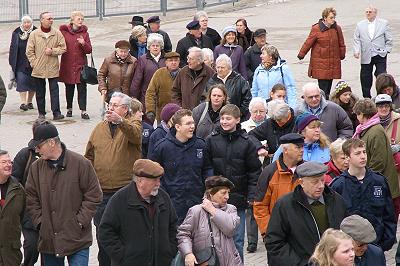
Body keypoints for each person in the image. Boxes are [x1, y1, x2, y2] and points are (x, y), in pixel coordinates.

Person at [25, 122, 102, 265]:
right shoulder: (36, 168)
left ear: (52, 143)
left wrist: (79, 221)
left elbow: (94, 195)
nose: (37, 150)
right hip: (49, 240)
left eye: (39, 146)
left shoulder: (81, 163)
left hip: (77, 238)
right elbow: (31, 197)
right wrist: (41, 222)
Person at [85, 92, 142, 266]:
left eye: (115, 105)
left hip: (124, 191)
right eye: (110, 104)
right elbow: (89, 156)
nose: (110, 108)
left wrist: (120, 122)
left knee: (125, 236)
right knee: (103, 235)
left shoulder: (134, 125)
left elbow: (135, 136)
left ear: (125, 109)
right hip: (102, 193)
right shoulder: (99, 129)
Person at [205, 104, 261, 261]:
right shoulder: (211, 140)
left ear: (237, 120)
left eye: (228, 118)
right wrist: (211, 189)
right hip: (215, 200)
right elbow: (207, 167)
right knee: (214, 240)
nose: (224, 121)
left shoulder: (247, 142)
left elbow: (254, 172)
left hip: (238, 200)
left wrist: (251, 196)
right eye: (222, 118)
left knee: (236, 240)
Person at [265, 161, 347, 266]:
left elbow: (345, 234)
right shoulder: (285, 205)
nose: (321, 186)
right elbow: (274, 241)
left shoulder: (337, 201)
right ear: (302, 182)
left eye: (322, 180)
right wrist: (300, 264)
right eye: (315, 182)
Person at [98, 159, 177, 266]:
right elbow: (105, 231)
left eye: (159, 179)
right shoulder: (119, 200)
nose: (159, 183)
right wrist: (122, 256)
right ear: (140, 181)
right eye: (155, 180)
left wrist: (169, 250)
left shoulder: (163, 198)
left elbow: (173, 226)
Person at [330, 138, 397, 252]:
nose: (363, 156)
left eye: (364, 152)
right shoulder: (338, 186)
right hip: (350, 248)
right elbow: (334, 220)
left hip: (377, 245)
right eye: (357, 153)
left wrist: (386, 242)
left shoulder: (379, 181)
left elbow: (389, 214)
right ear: (347, 157)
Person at [149, 109, 213, 224]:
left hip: (196, 202)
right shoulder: (162, 147)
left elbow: (207, 168)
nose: (192, 126)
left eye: (193, 123)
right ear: (177, 127)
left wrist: (208, 189)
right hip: (172, 204)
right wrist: (163, 196)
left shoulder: (200, 145)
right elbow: (153, 174)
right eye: (188, 124)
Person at [177, 176, 242, 266]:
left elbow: (230, 229)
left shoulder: (231, 209)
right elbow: (183, 234)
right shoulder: (196, 211)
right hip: (205, 262)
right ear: (211, 193)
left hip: (229, 262)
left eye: (228, 193)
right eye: (223, 193)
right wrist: (188, 253)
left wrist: (213, 210)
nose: (227, 197)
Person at [253, 133, 304, 245]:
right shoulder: (269, 172)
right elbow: (260, 205)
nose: (302, 150)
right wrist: (268, 233)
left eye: (302, 147)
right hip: (279, 234)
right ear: (285, 150)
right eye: (297, 147)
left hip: (304, 233)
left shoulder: (307, 171)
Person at [352, 98, 400, 207]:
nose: (357, 117)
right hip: (378, 185)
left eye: (357, 114)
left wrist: (364, 179)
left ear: (363, 114)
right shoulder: (366, 129)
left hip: (383, 188)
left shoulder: (375, 131)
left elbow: (379, 161)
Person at [11, 120, 45, 266]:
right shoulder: (25, 154)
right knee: (31, 245)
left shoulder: (57, 155)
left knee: (49, 249)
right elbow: (14, 180)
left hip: (51, 210)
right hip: (29, 210)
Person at [26, 11, 66, 120]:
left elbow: (63, 48)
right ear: (42, 20)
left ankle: (56, 113)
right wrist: (34, 63)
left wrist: (53, 51)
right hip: (38, 68)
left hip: (52, 68)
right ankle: (41, 113)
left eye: (52, 18)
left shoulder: (57, 33)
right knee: (40, 93)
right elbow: (29, 51)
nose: (51, 20)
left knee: (54, 92)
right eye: (48, 19)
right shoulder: (34, 34)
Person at [298, 7, 346, 97]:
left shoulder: (337, 28)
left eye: (334, 17)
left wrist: (342, 54)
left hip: (333, 62)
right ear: (325, 18)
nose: (333, 20)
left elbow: (341, 43)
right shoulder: (316, 28)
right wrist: (301, 54)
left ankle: (326, 103)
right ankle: (323, 103)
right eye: (331, 17)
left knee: (328, 87)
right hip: (320, 63)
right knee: (323, 88)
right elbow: (308, 42)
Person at [353, 6, 393, 98]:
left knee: (381, 75)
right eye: (366, 12)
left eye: (370, 12)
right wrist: (356, 51)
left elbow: (389, 38)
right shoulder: (360, 25)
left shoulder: (384, 23)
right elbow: (356, 39)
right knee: (365, 76)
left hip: (380, 54)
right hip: (366, 54)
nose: (368, 13)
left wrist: (387, 50)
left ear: (375, 13)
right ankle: (367, 97)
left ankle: (382, 95)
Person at [59, 11, 92, 119]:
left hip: (80, 66)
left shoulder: (85, 33)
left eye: (82, 19)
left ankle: (83, 111)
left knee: (82, 88)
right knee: (69, 88)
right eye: (79, 19)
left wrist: (83, 43)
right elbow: (59, 45)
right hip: (67, 65)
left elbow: (89, 50)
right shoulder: (64, 32)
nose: (81, 21)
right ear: (72, 20)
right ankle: (69, 109)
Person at [0, 150, 25, 266]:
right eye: (4, 162)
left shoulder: (19, 190)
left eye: (10, 162)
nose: (8, 165)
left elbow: (23, 216)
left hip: (11, 255)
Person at [251, 44, 297, 109]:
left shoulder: (283, 68)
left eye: (263, 54)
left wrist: (292, 108)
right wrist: (253, 106)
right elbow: (254, 90)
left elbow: (290, 88)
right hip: (263, 108)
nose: (261, 56)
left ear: (270, 56)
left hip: (279, 107)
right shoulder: (258, 70)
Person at [207, 54, 251, 119]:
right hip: (215, 118)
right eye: (218, 67)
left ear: (229, 68)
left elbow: (247, 99)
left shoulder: (239, 80)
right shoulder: (211, 81)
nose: (219, 70)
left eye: (222, 67)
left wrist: (239, 113)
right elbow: (205, 99)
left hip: (235, 118)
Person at [130, 33, 166, 112]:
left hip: (164, 97)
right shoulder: (143, 60)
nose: (155, 48)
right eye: (153, 45)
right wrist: (134, 97)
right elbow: (137, 80)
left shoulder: (167, 59)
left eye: (157, 45)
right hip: (146, 96)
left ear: (161, 47)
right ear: (149, 47)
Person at [9, 15, 36, 111]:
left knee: (33, 83)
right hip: (20, 61)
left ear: (31, 23)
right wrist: (11, 61)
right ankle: (23, 103)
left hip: (33, 62)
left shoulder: (36, 31)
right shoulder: (16, 32)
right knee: (21, 81)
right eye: (24, 22)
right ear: (22, 23)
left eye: (28, 22)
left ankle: (29, 101)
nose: (26, 24)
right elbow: (12, 47)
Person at [145, 51, 180, 123]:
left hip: (180, 113)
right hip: (162, 113)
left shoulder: (183, 73)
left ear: (179, 62)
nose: (173, 62)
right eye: (171, 60)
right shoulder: (159, 73)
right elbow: (150, 93)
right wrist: (150, 110)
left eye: (176, 60)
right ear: (166, 62)